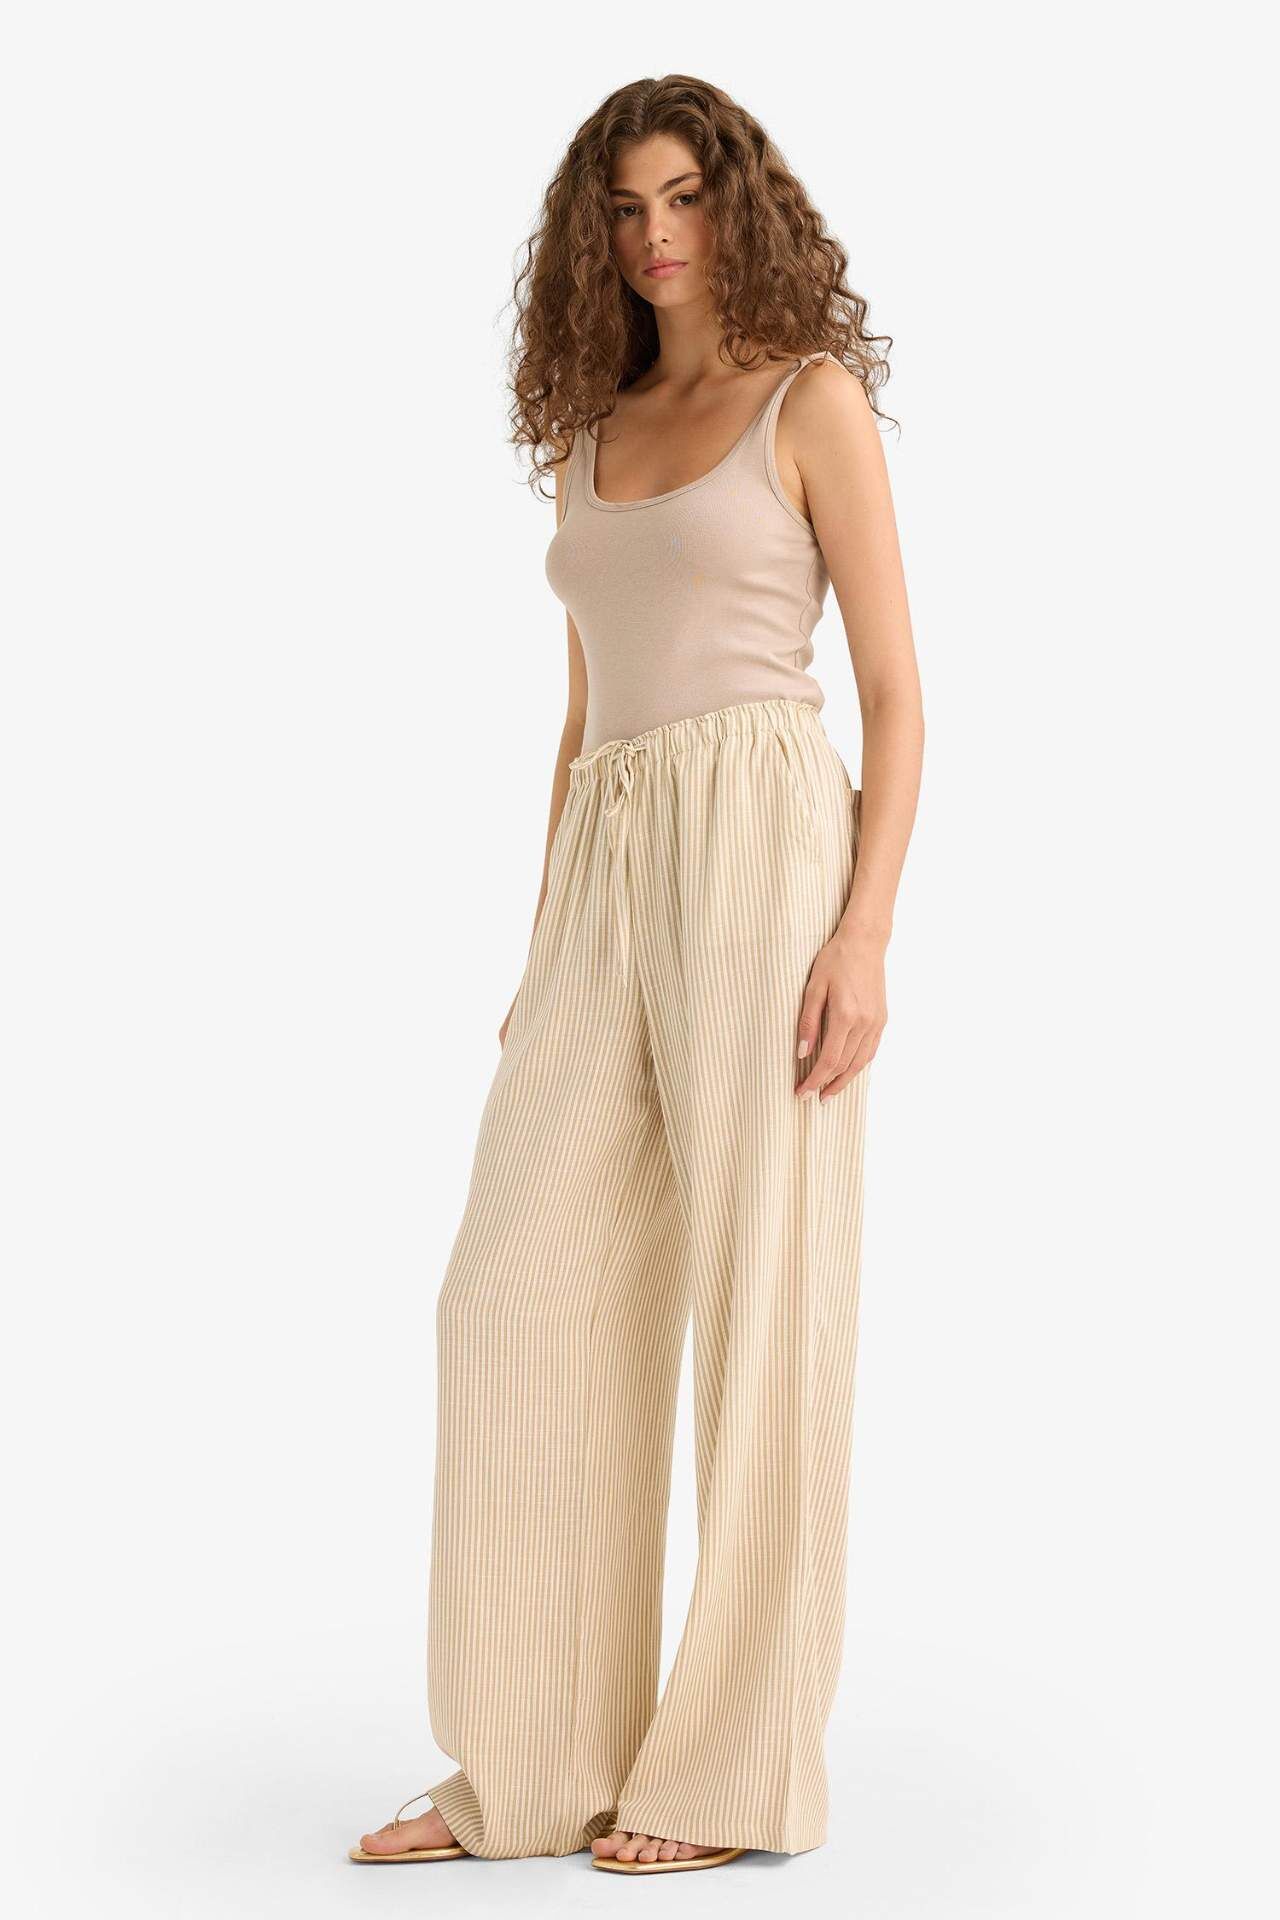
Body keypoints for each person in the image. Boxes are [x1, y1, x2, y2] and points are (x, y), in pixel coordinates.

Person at [350, 71, 924, 1877]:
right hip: (608, 854)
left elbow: (898, 695)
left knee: (765, 1313)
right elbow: (582, 715)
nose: (654, 234)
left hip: (764, 838)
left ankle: (728, 1777)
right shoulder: (593, 431)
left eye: (682, 196)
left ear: (737, 203)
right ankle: (533, 1764)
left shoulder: (808, 402)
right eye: (622, 207)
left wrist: (863, 932)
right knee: (510, 1292)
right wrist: (548, 948)